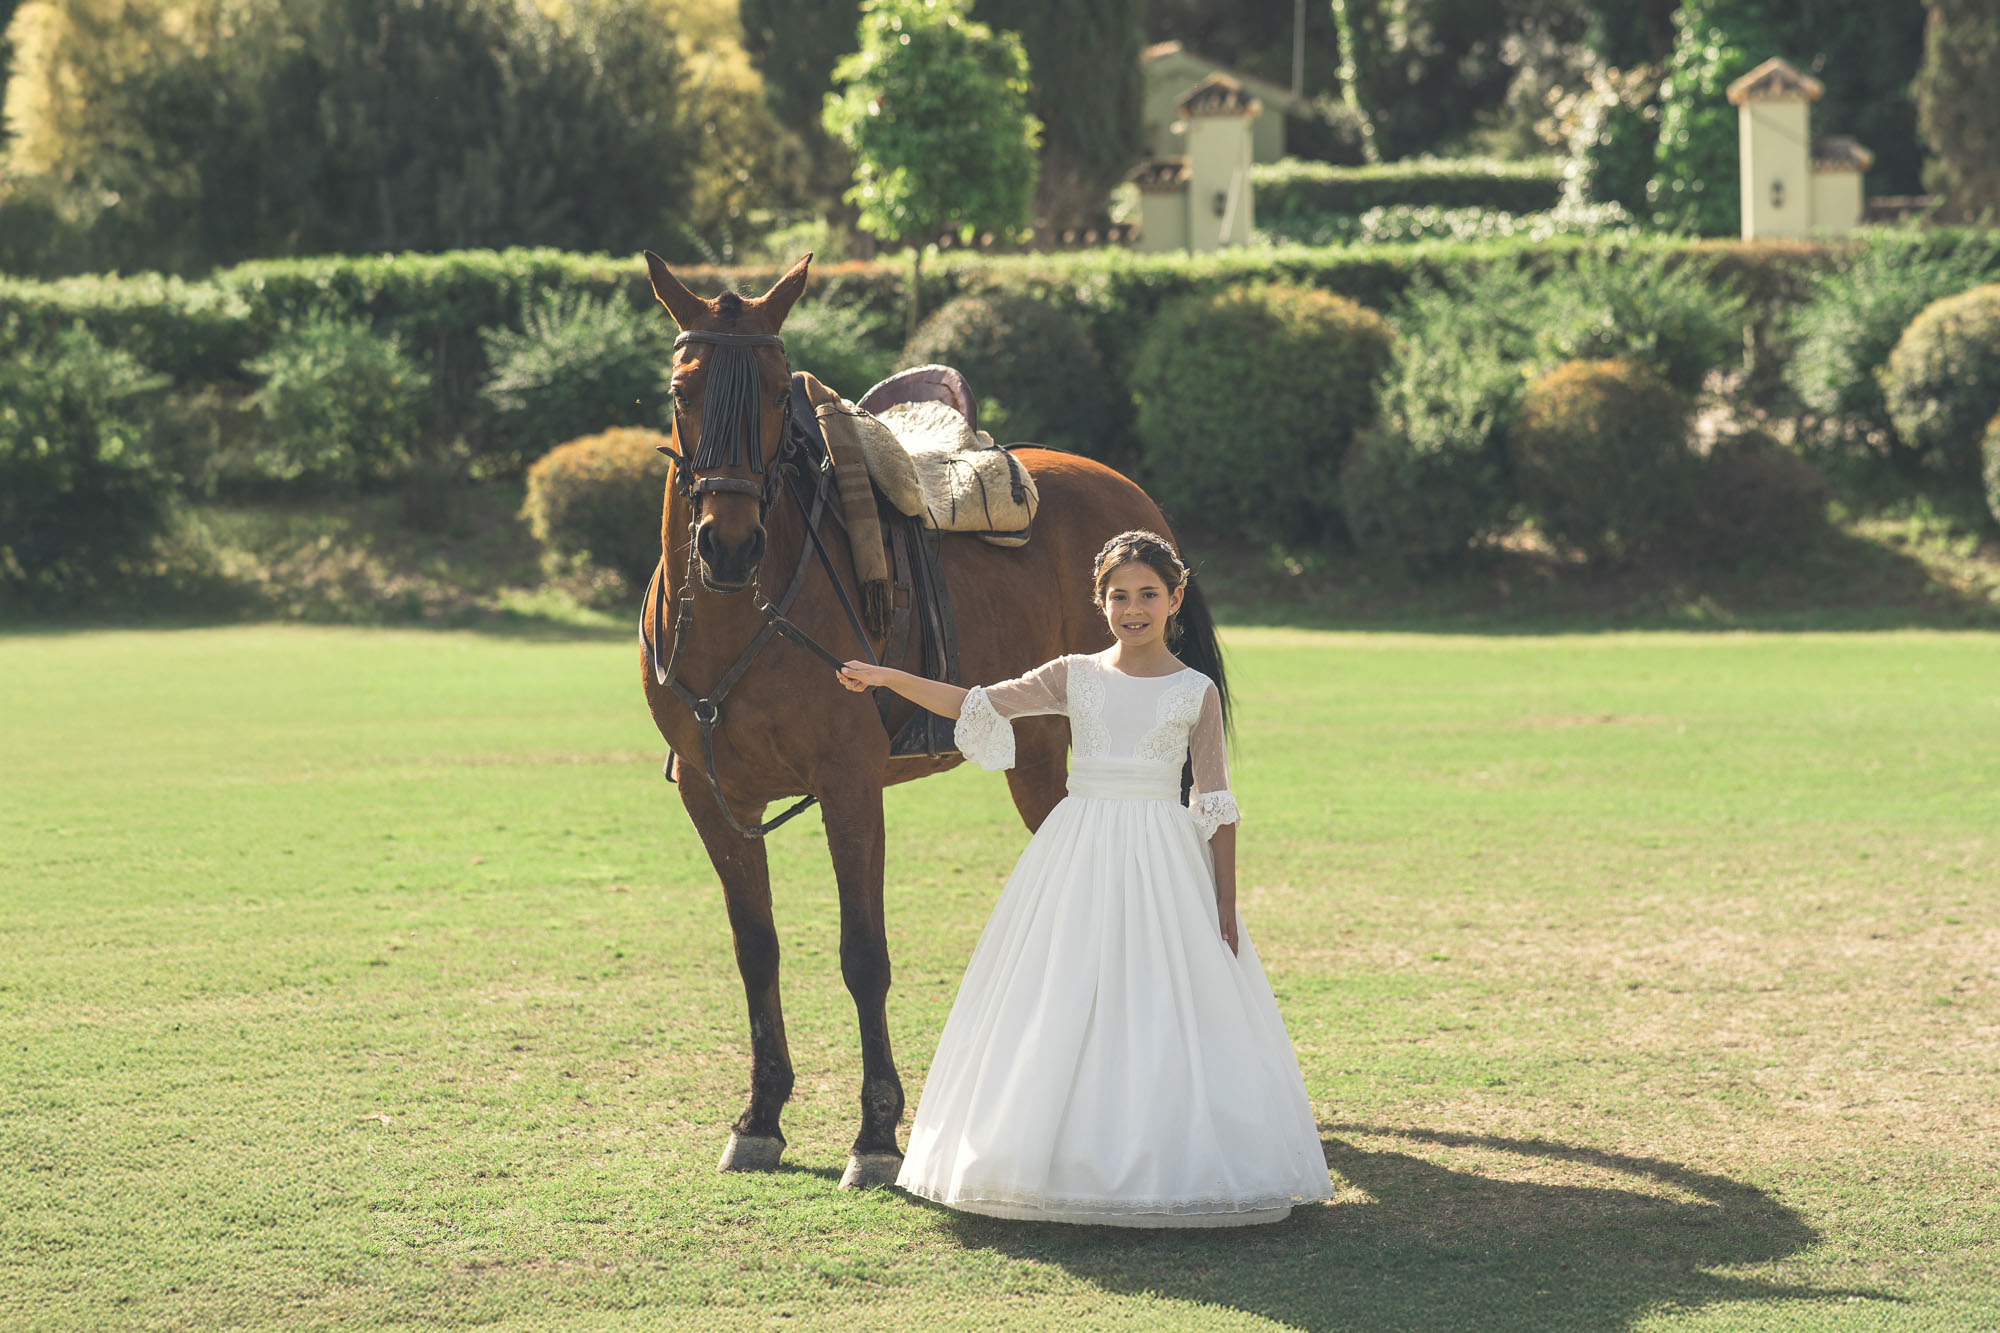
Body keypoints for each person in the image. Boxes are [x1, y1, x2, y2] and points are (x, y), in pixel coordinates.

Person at [837, 530, 1331, 1227]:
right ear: (1100, 602)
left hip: (1165, 854)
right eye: (1119, 595)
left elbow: (1216, 803)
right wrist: (888, 677)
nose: (1134, 608)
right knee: (1064, 987)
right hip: (1080, 849)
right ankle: (1052, 1155)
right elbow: (978, 702)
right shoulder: (1075, 674)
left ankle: (1169, 1154)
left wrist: (1224, 900)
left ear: (1175, 599)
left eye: (1148, 594)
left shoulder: (1196, 691)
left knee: (1165, 997)